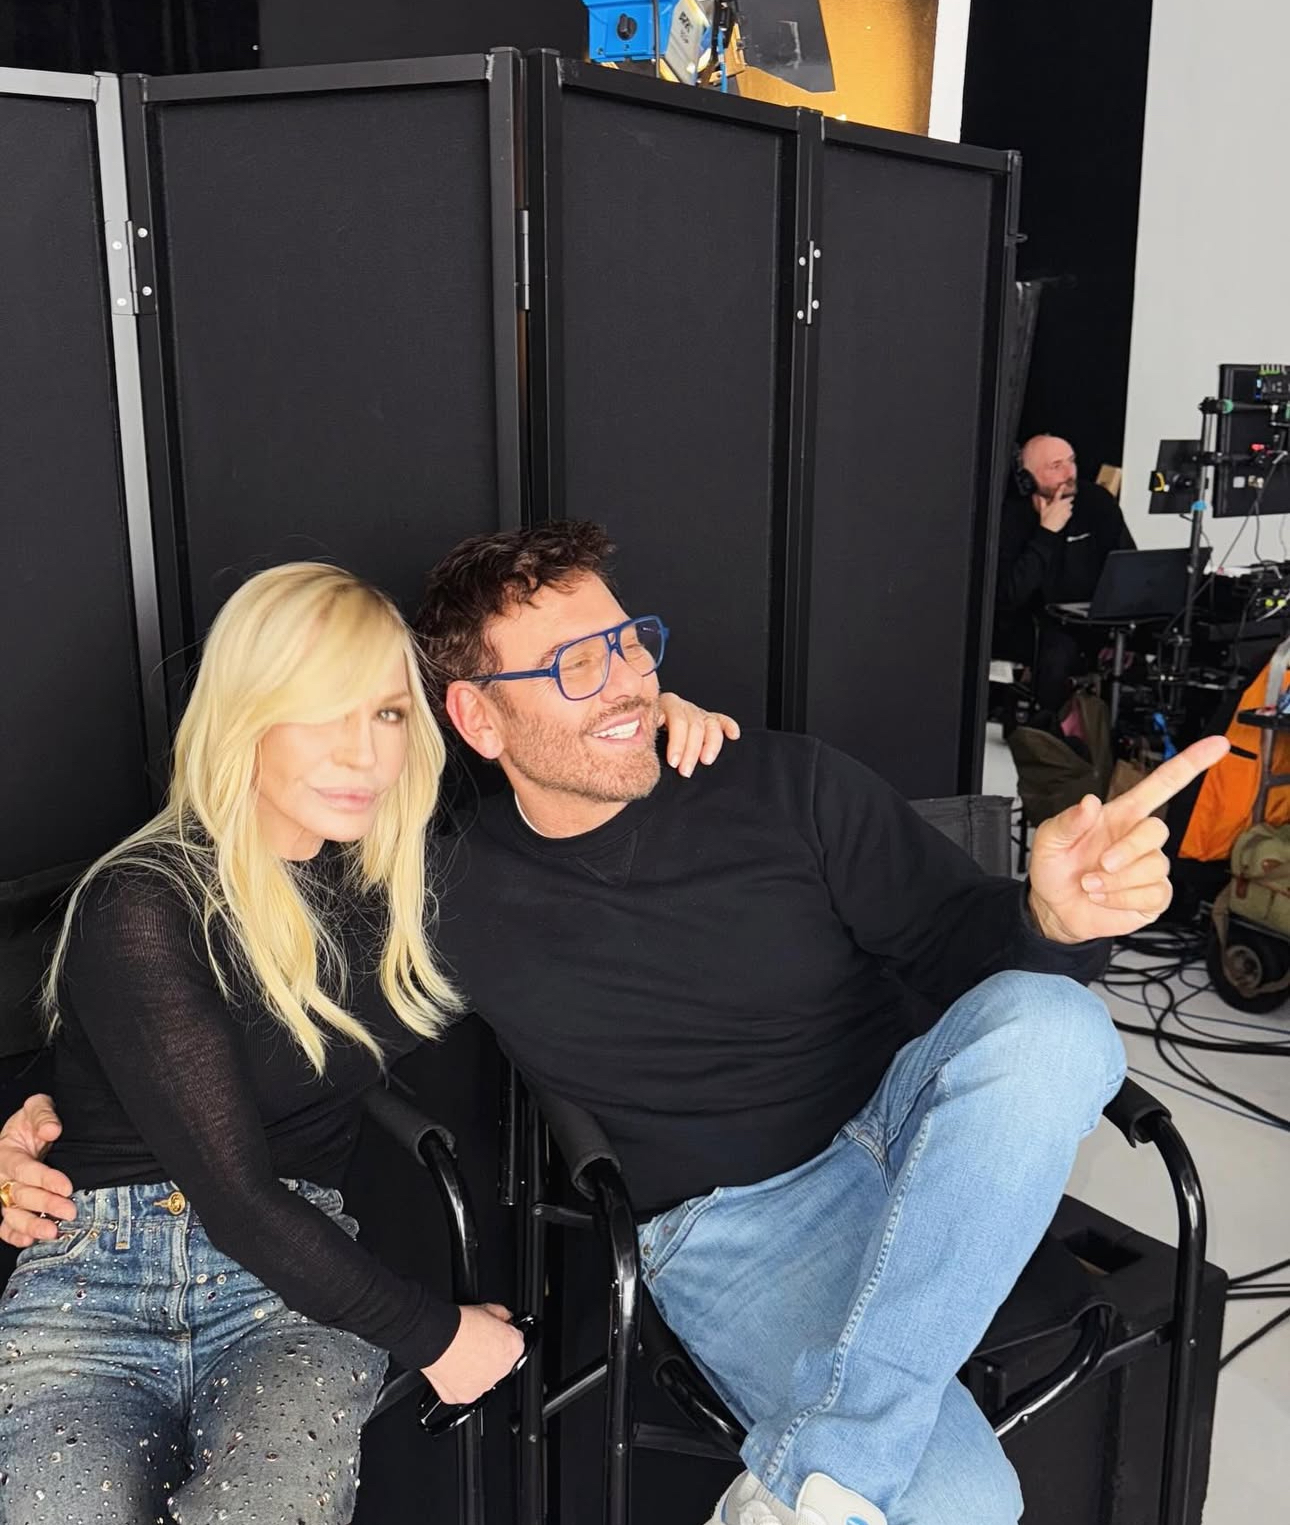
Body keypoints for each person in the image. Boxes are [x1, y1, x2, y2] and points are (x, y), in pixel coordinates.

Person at [3, 523, 1225, 1525]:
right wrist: (45, 1109)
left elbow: (971, 952)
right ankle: (841, 1471)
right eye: (572, 666)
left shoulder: (780, 779)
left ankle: (816, 1481)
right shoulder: (447, 892)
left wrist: (1055, 919)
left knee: (1059, 1021)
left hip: (917, 1140)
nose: (628, 679)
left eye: (628, 644)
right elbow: (209, 1021)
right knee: (969, 1506)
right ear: (479, 720)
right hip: (740, 1232)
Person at [0, 558, 726, 1525]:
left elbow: (575, 826)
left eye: (386, 713)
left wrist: (640, 726)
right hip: (97, 1280)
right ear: (245, 717)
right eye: (320, 712)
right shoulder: (142, 900)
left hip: (289, 1299)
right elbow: (233, 1196)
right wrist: (439, 1337)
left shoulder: (404, 892)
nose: (364, 752)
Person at [994, 432, 1137, 712]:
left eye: (1071, 461)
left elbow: (1126, 568)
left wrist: (1124, 634)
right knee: (1057, 655)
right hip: (1029, 626)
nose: (1069, 473)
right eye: (1055, 466)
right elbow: (1009, 595)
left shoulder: (1096, 502)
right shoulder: (1010, 516)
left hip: (1091, 621)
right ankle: (1048, 733)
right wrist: (1047, 533)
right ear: (1027, 478)